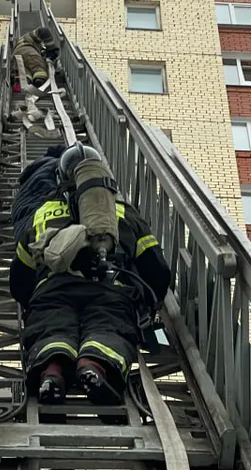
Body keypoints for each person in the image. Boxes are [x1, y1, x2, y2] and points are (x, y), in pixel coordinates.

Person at [10, 144, 171, 406]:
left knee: (52, 328)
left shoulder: (42, 213)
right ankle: (92, 365)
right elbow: (156, 268)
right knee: (108, 327)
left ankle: (52, 374)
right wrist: (150, 304)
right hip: (111, 289)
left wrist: (34, 298)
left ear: (60, 178)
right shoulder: (123, 212)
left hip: (53, 289)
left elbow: (20, 276)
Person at [13, 26, 57, 91]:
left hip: (17, 53)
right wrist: (52, 50)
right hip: (27, 50)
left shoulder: (26, 38)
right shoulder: (33, 36)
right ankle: (39, 80)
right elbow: (43, 31)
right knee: (38, 66)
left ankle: (26, 81)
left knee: (28, 70)